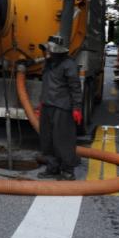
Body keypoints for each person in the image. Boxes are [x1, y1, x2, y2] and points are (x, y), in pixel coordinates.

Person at [37, 35, 83, 181]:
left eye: (48, 50)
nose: (46, 52)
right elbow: (46, 84)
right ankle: (53, 167)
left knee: (63, 140)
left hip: (62, 108)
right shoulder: (48, 63)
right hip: (47, 106)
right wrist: (41, 102)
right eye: (46, 50)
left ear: (57, 51)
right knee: (47, 139)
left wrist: (76, 108)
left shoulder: (69, 64)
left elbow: (75, 87)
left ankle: (68, 170)